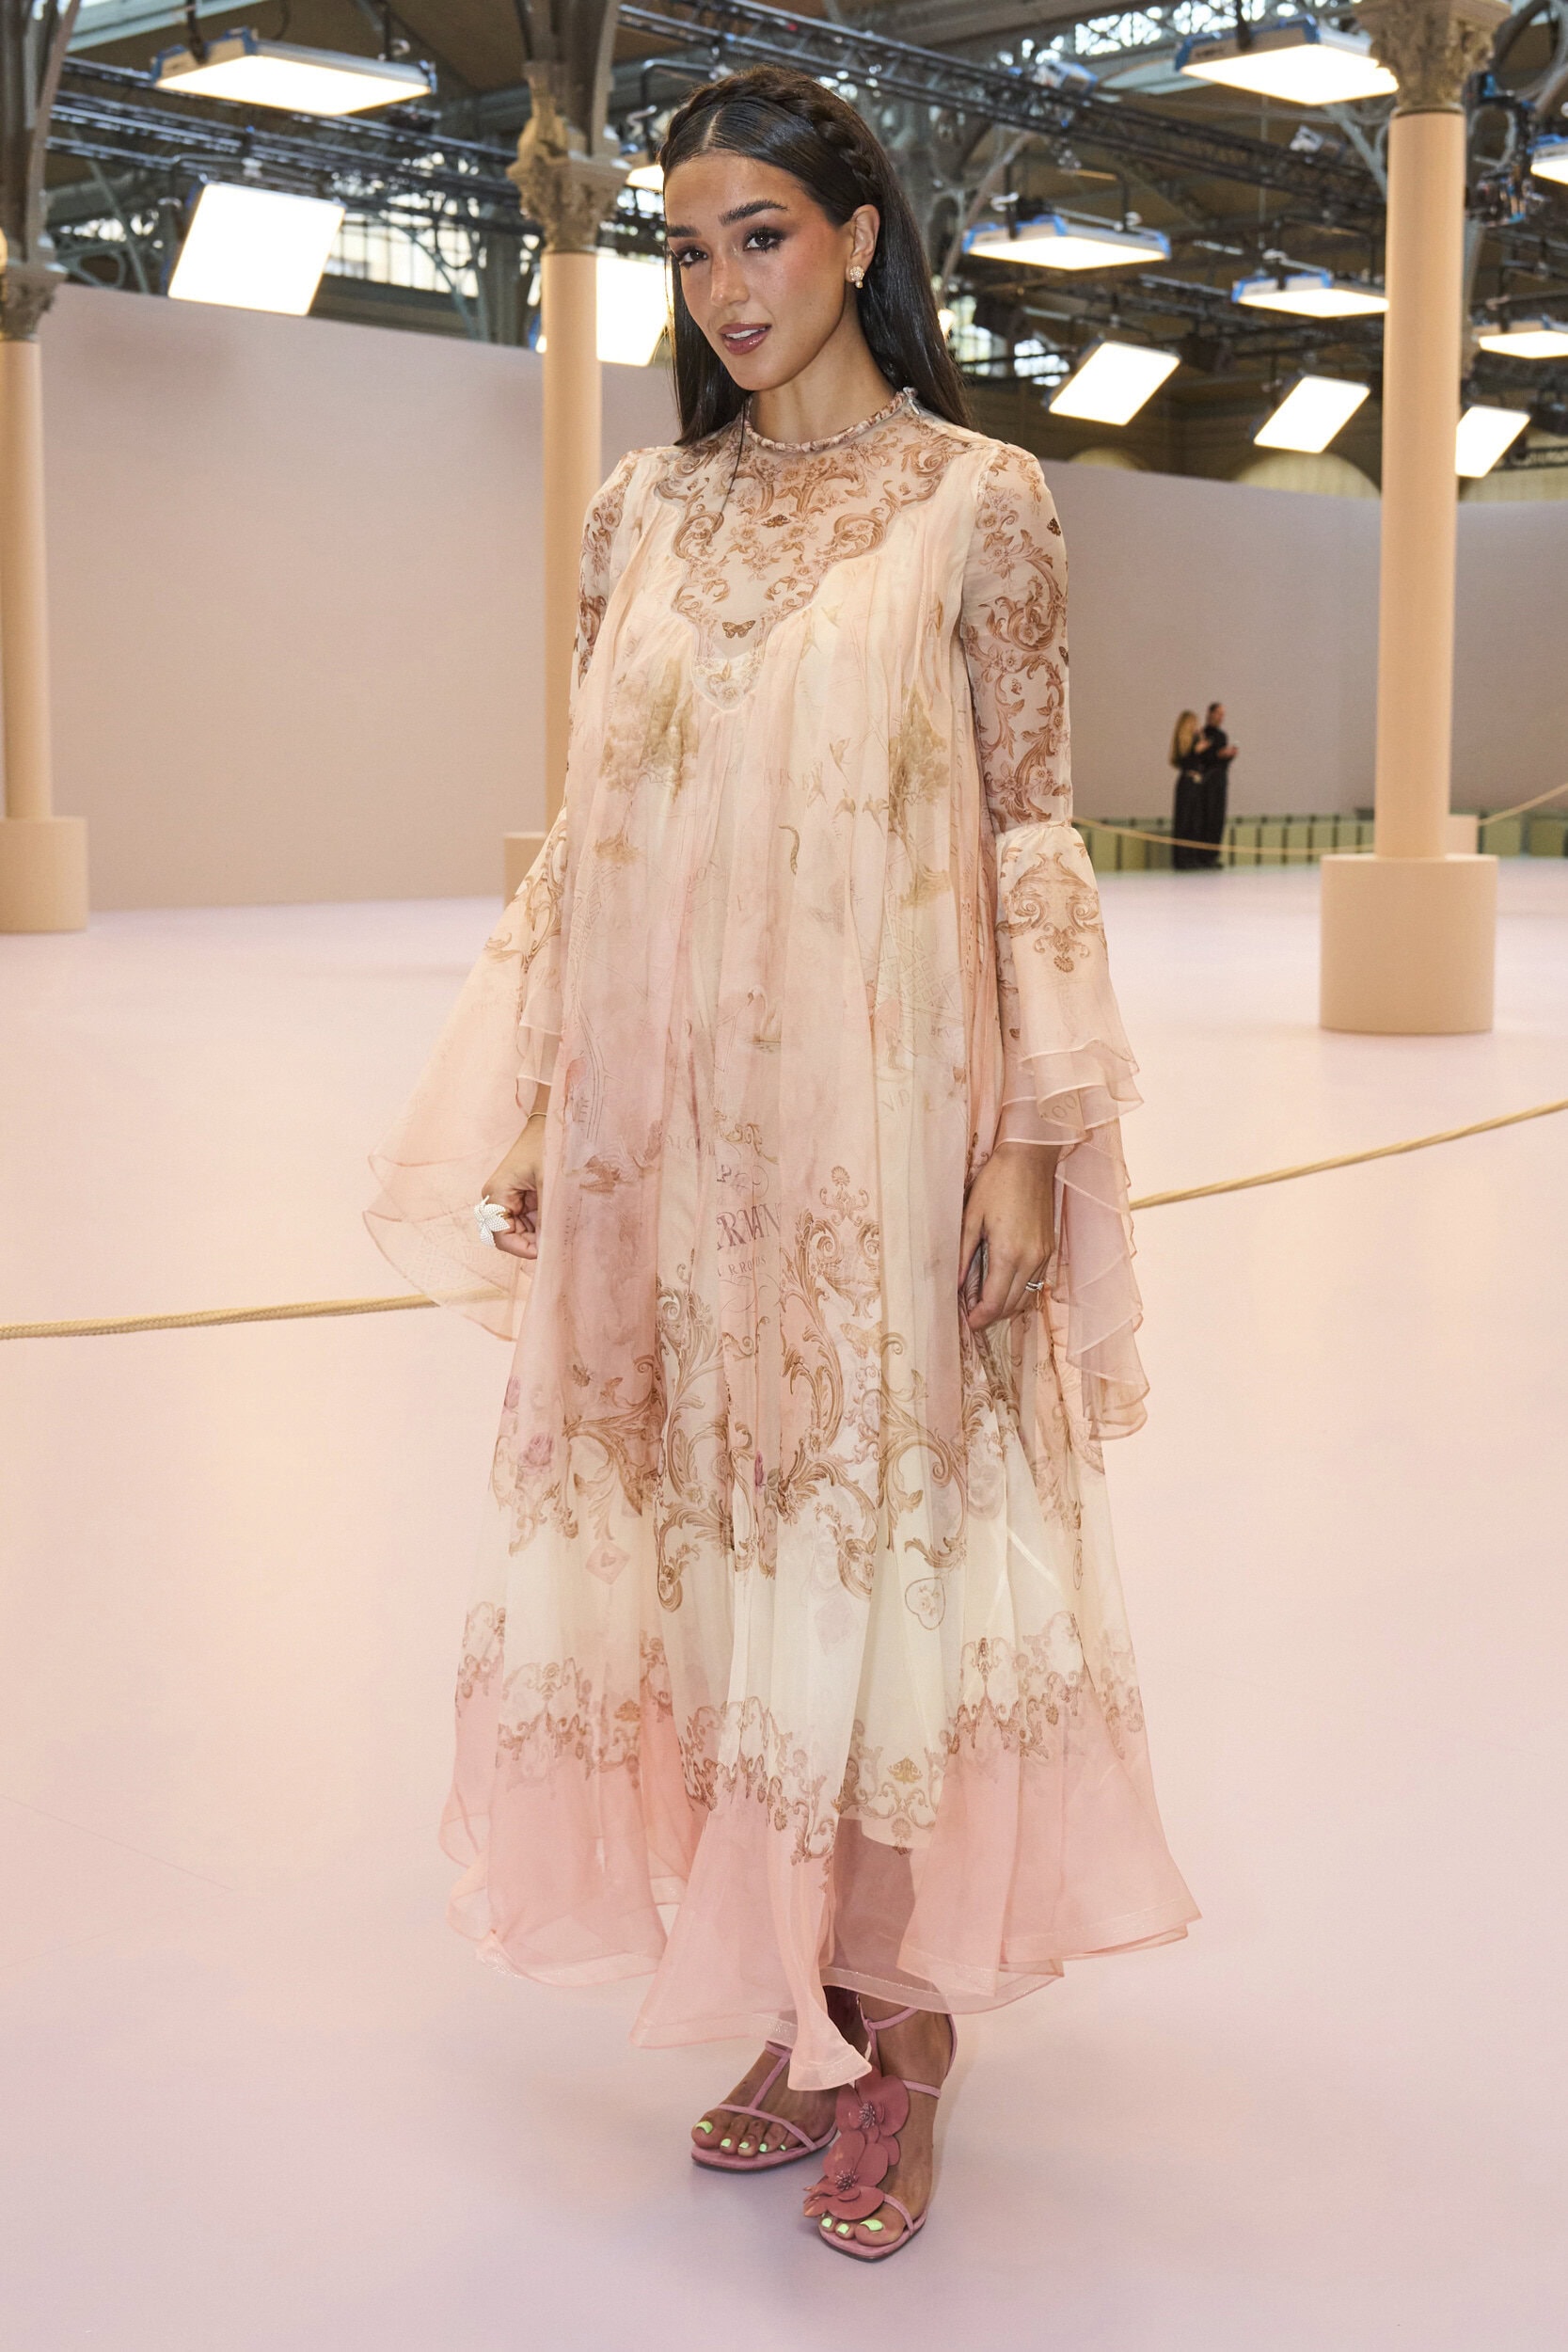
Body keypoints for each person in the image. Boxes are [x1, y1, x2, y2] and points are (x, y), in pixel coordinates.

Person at [367, 62, 1196, 2265]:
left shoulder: (977, 501)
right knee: (716, 1557)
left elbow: (1026, 833)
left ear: (855, 238)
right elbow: (597, 827)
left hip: (885, 1120)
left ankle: (899, 2038)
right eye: (686, 245)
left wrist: (1028, 1139)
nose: (723, 284)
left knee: (872, 1552)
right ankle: (785, 1992)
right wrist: (543, 1097)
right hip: (665, 1138)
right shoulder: (642, 513)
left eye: (759, 233)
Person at [1193, 701, 1237, 869]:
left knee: (1218, 818)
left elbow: (1221, 761)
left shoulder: (1222, 736)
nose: (1221, 717)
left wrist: (1229, 756)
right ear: (1210, 713)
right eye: (1218, 713)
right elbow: (1201, 758)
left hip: (1220, 780)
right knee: (1206, 817)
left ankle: (1212, 856)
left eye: (1222, 714)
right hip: (1206, 782)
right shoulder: (1202, 734)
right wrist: (1218, 754)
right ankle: (1201, 856)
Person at [1169, 708, 1204, 870]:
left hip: (1195, 782)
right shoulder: (1184, 743)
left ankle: (1192, 857)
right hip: (1187, 782)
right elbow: (1184, 761)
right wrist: (1195, 750)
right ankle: (1181, 859)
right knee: (1184, 821)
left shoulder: (1196, 739)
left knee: (1195, 822)